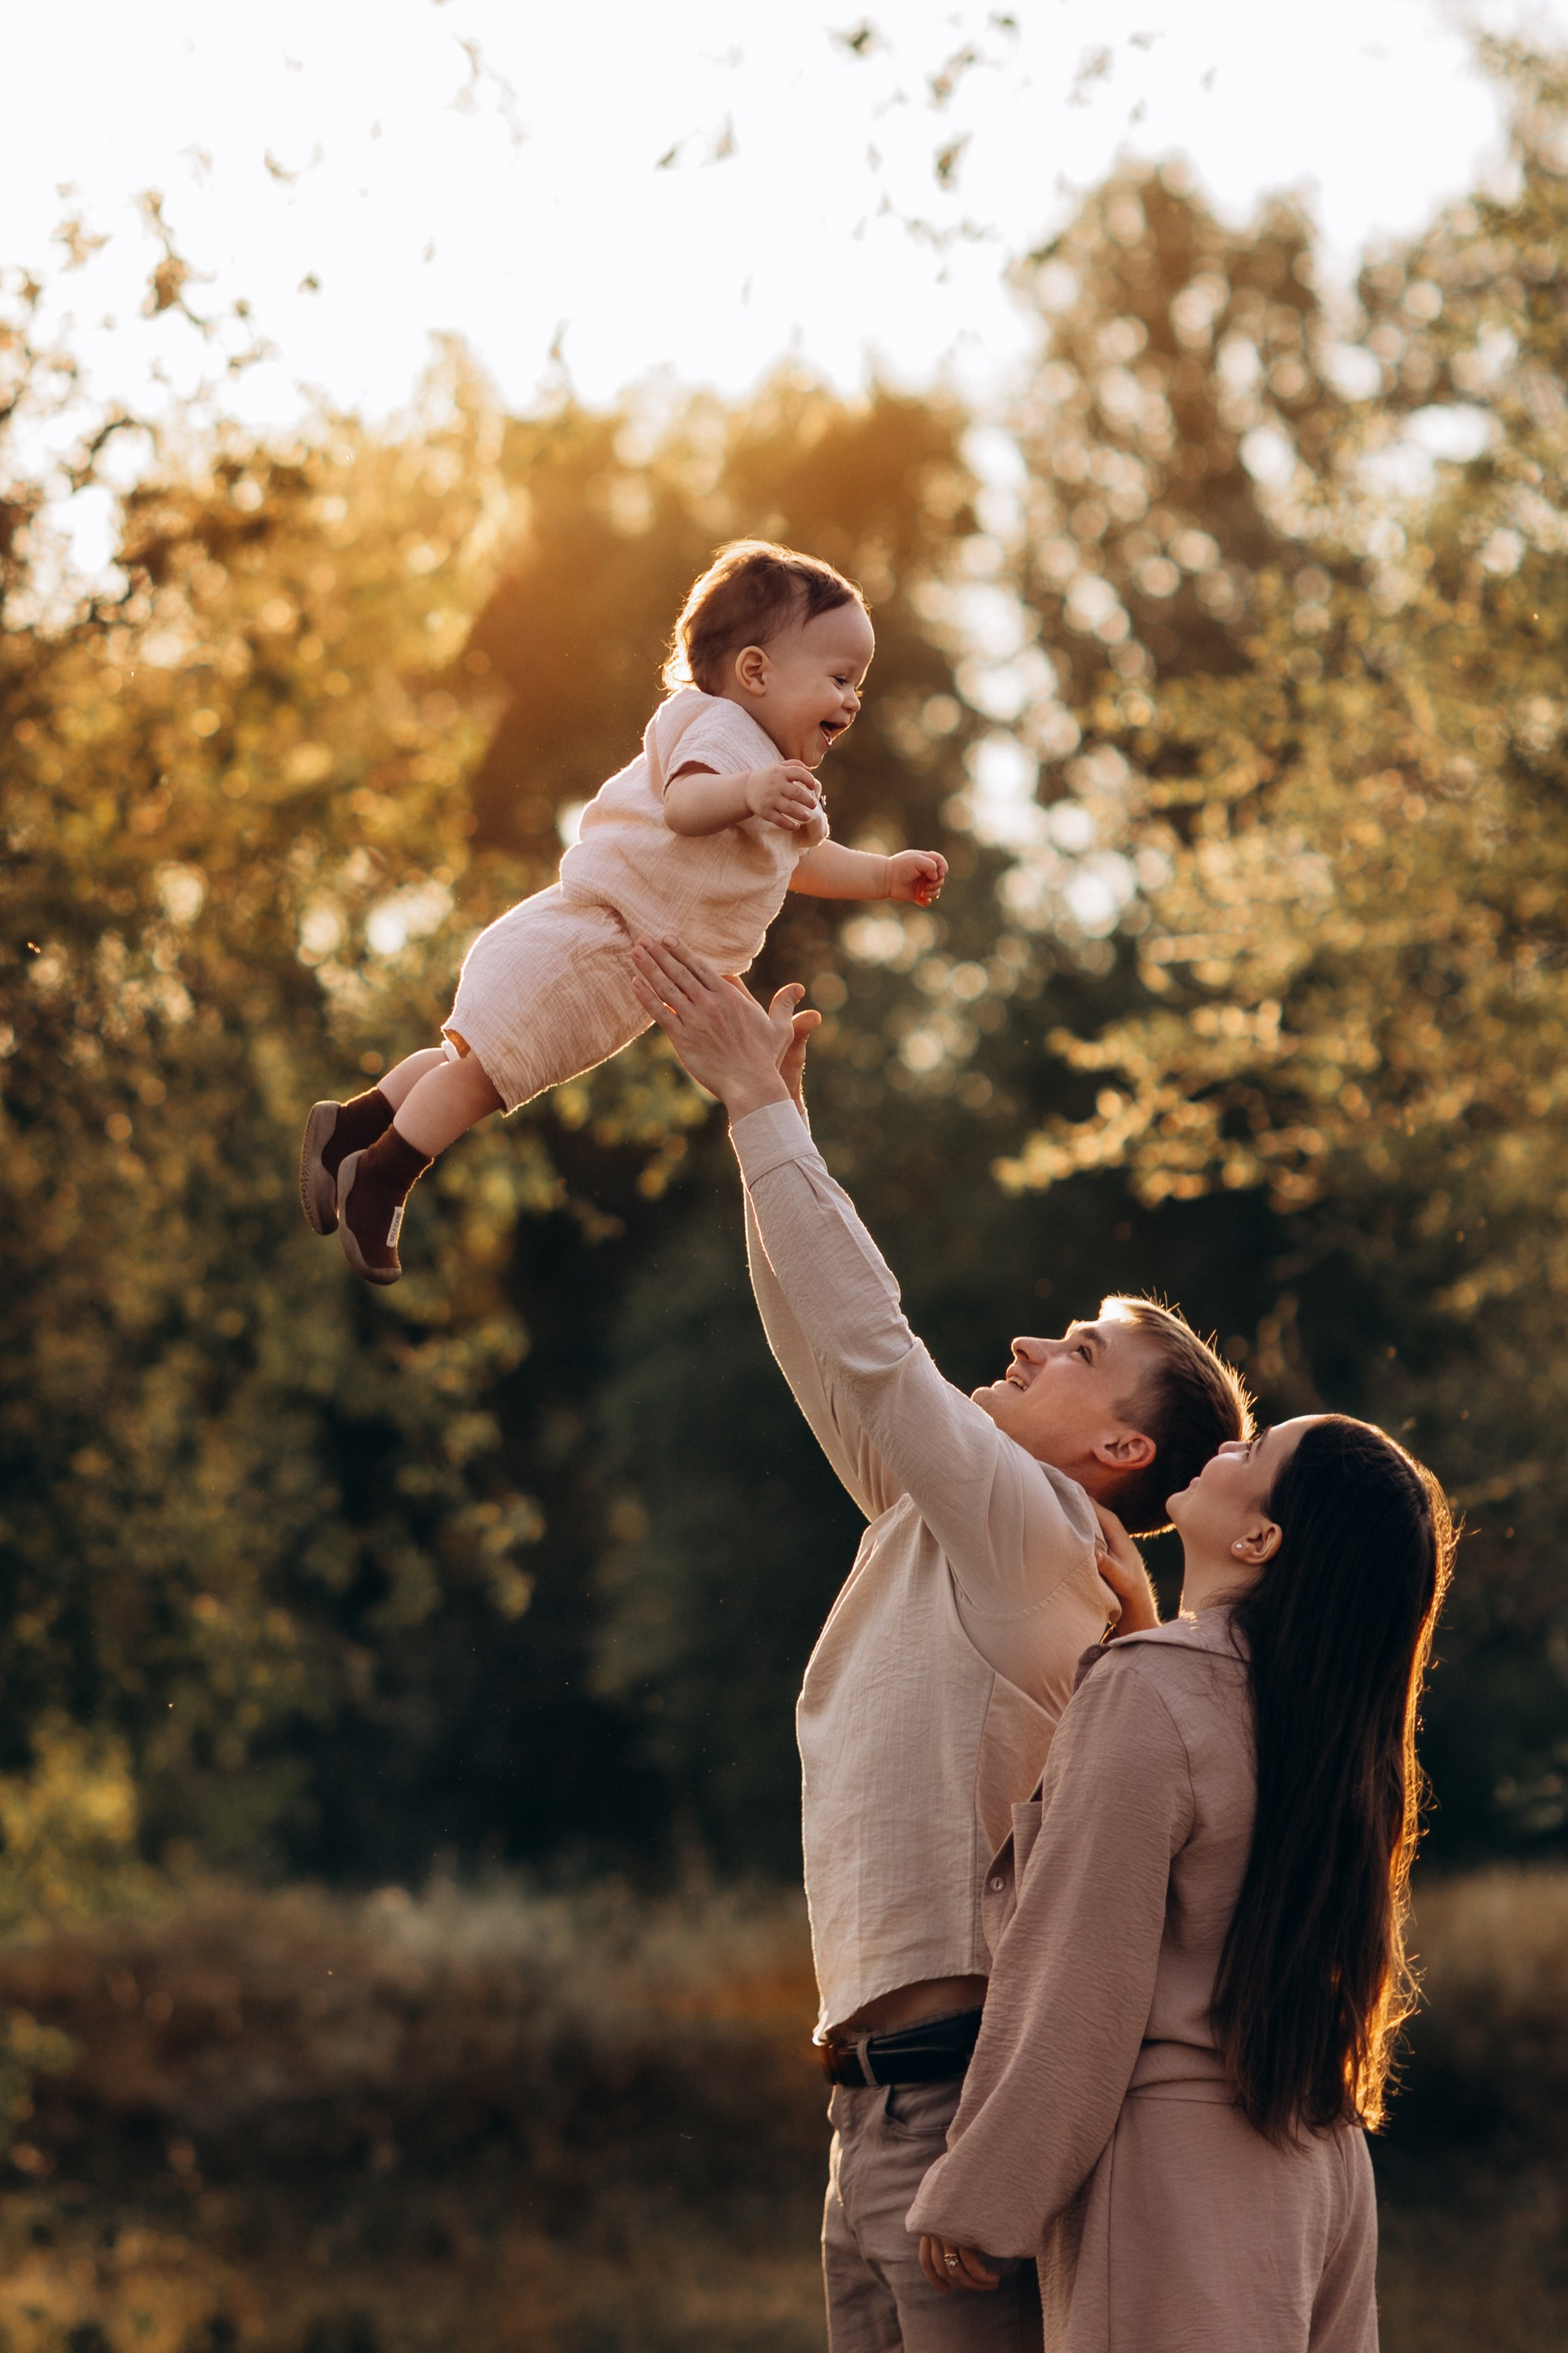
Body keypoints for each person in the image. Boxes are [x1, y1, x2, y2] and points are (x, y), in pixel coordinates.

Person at [627, 936, 1251, 2353]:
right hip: (870, 2110)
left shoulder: (1031, 1526)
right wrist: (751, 1126)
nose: (1031, 1342)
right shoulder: (952, 1513)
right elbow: (819, 1346)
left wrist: (766, 1115)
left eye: (1078, 1351)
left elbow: (873, 1345)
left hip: (957, 2104)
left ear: (1114, 1448)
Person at [907, 1411, 1455, 2353]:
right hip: (1318, 2170)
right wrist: (1143, 1632)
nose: (1225, 1449)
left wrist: (985, 2185)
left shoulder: (1150, 1689)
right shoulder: (1332, 1723)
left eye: (1255, 1450)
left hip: (1179, 2175)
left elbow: (1081, 1970)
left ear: (1259, 1537)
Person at [298, 540, 947, 1283]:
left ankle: (350, 1128)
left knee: (470, 1062)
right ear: (756, 671)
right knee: (484, 1077)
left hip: (614, 954)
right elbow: (686, 806)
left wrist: (887, 877)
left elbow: (804, 860)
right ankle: (380, 1177)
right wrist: (750, 791)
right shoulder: (717, 730)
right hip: (597, 939)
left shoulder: (781, 780)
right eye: (838, 677)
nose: (852, 700)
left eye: (857, 683)